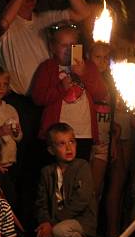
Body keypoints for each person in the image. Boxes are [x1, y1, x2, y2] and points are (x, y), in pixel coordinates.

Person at [31, 24, 108, 163]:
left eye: (72, 45)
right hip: (57, 135)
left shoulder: (88, 66)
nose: (68, 50)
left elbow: (100, 94)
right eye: (63, 45)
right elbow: (38, 97)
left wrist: (84, 74)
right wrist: (61, 88)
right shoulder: (47, 67)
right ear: (53, 47)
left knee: (78, 174)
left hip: (83, 133)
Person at [34, 123, 97, 237]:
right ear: (51, 150)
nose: (69, 148)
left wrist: (52, 223)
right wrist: (45, 222)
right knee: (42, 236)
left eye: (71, 142)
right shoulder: (47, 172)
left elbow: (80, 201)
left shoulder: (82, 166)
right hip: (55, 221)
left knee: (60, 232)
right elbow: (41, 202)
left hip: (81, 221)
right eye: (62, 144)